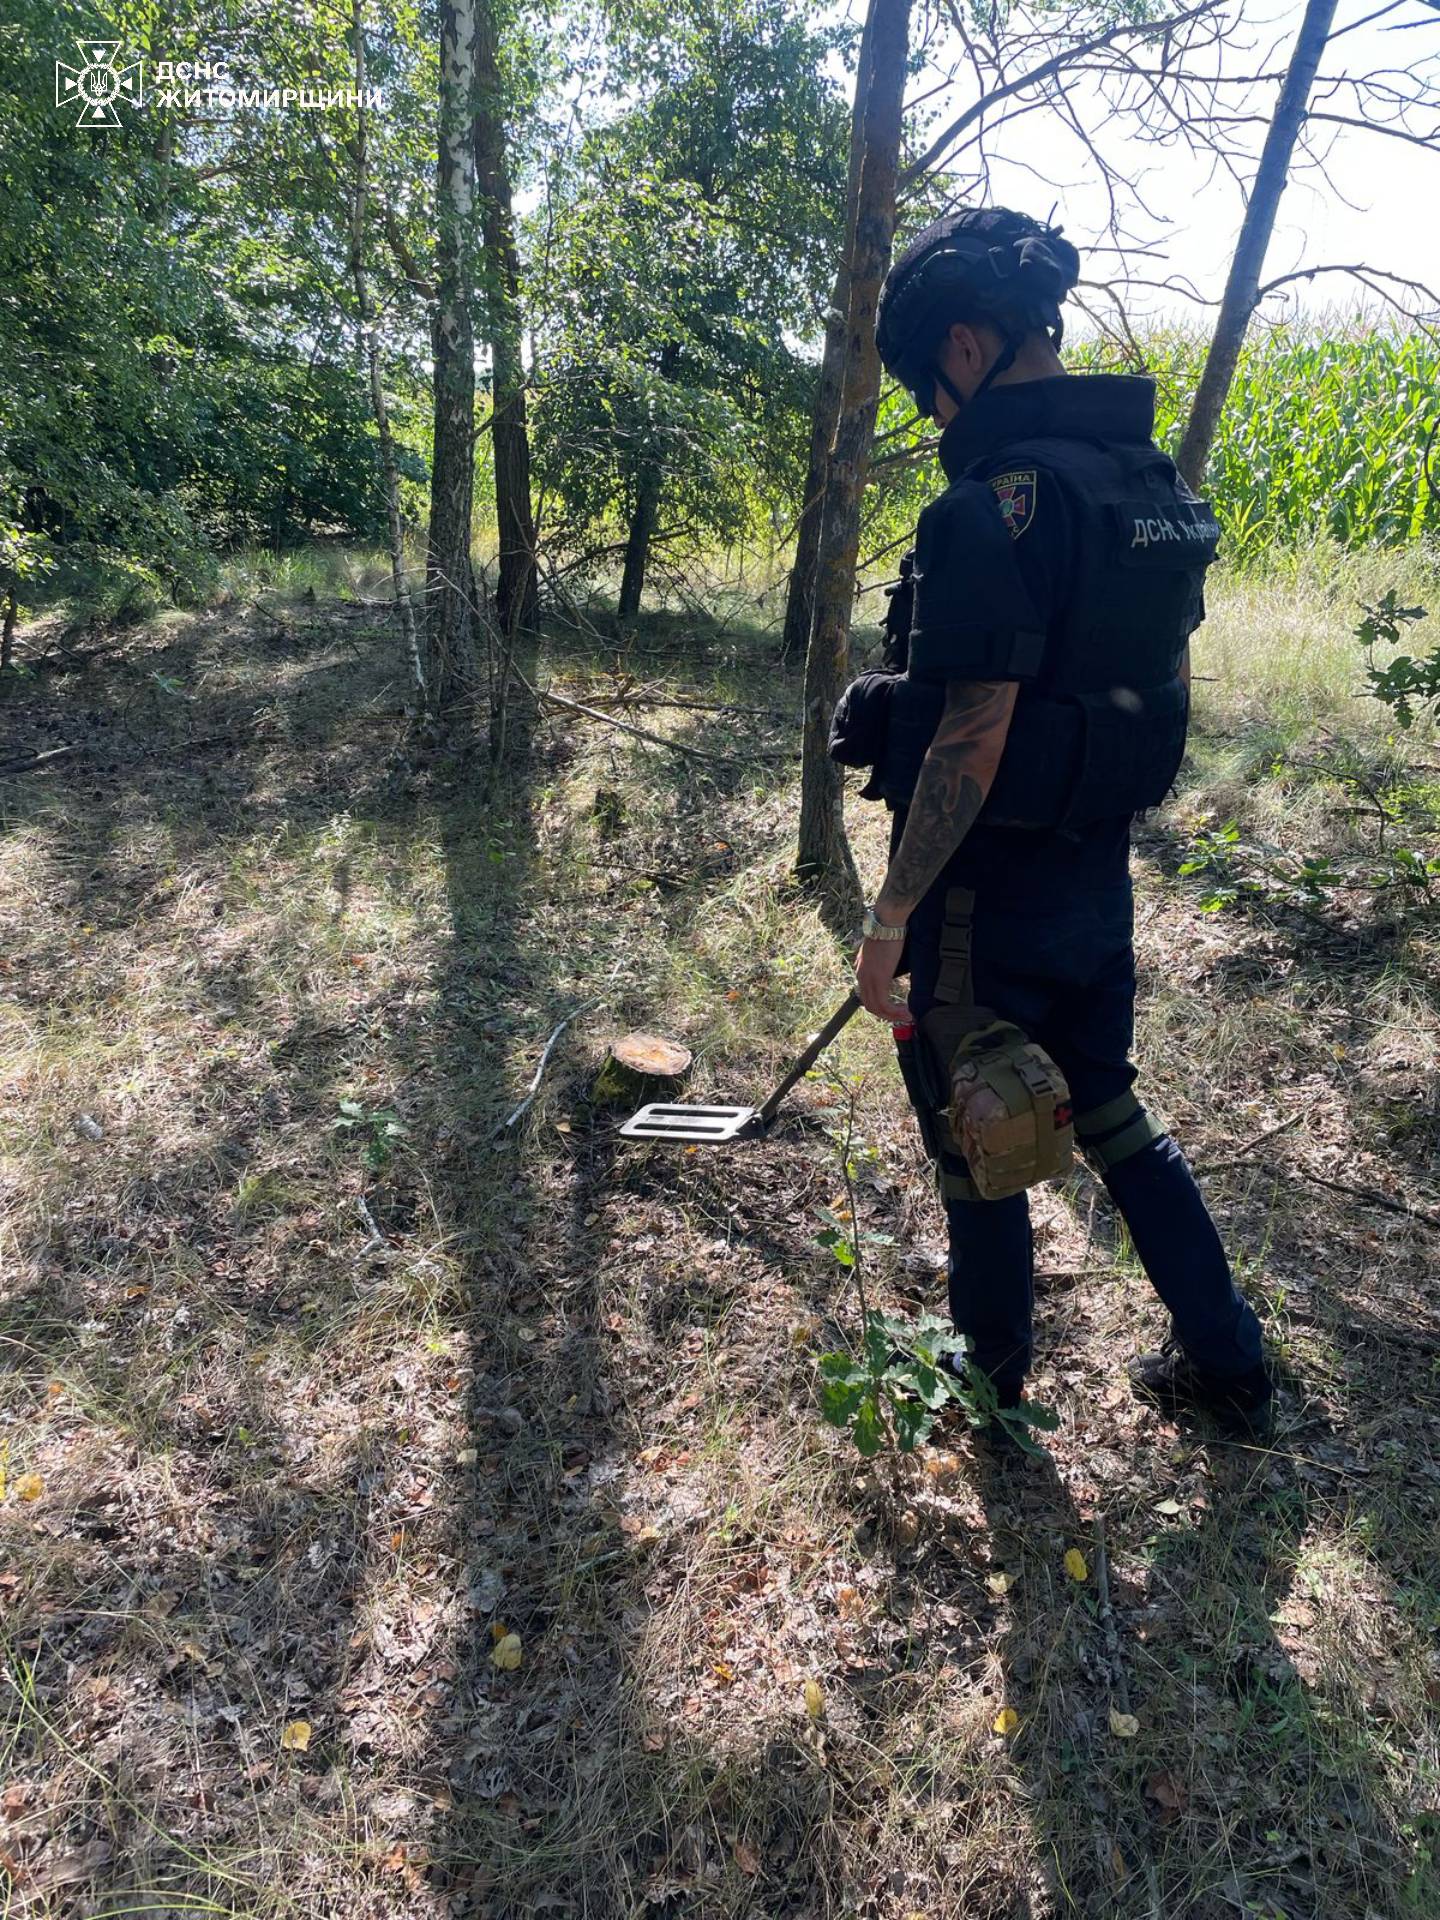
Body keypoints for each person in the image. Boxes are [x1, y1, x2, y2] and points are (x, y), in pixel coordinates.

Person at [832, 206, 1273, 1443]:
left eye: (927, 385)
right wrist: (902, 706)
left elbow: (977, 732)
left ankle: (990, 1394)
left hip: (984, 899)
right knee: (1109, 1109)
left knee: (980, 1134)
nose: (933, 412)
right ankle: (1232, 1366)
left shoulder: (991, 503)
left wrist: (890, 920)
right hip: (1096, 874)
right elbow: (1103, 674)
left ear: (965, 347)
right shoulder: (1147, 487)